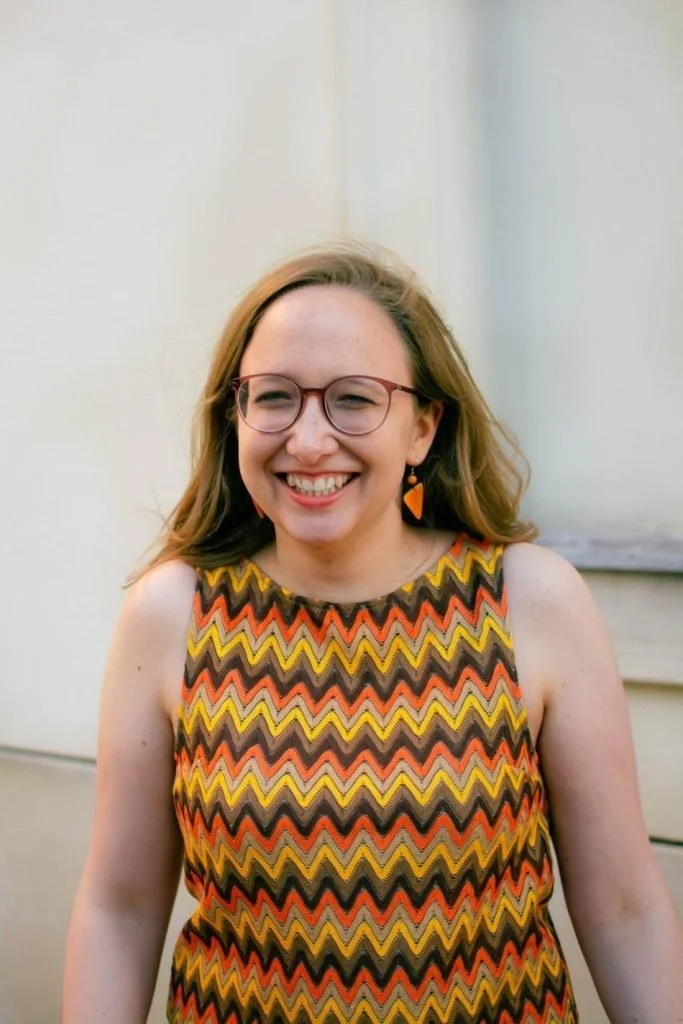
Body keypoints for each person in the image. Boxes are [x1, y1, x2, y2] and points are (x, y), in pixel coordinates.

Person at [63, 244, 682, 1024]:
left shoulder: (531, 600)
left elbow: (625, 909)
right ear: (236, 418)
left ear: (423, 427)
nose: (310, 440)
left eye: (354, 399)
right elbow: (119, 911)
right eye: (274, 397)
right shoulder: (173, 612)